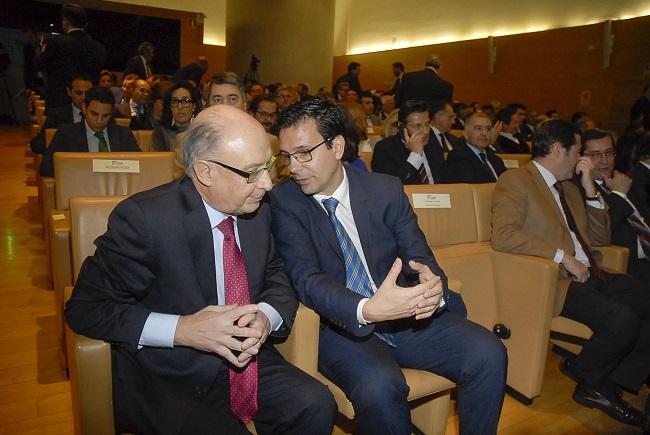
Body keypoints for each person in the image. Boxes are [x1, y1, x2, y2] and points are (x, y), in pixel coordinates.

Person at [65, 104, 337, 434]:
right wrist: (184, 330)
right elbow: (85, 309)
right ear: (206, 172)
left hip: (246, 360)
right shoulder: (144, 220)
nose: (267, 183)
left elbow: (277, 272)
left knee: (316, 403)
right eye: (252, 172)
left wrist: (266, 315)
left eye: (268, 166)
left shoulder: (259, 209)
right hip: (171, 375)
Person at [269, 98, 507, 435]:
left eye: (304, 153)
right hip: (340, 327)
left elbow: (419, 255)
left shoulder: (384, 190)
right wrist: (368, 308)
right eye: (287, 156)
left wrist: (432, 289)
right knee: (380, 386)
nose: (294, 167)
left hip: (403, 315)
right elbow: (307, 279)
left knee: (489, 353)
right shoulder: (285, 201)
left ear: (337, 146)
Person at [491, 119, 650, 426]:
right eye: (578, 151)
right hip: (556, 280)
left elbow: (600, 236)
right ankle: (592, 377)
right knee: (623, 319)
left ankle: (599, 381)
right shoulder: (516, 180)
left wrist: (590, 189)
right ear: (557, 149)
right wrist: (562, 256)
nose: (583, 160)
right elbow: (504, 235)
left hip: (593, 272)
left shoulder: (570, 188)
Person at [580, 129, 650, 282]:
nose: (605, 161)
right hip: (626, 264)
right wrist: (619, 195)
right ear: (581, 159)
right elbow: (603, 227)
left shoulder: (620, 179)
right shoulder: (580, 189)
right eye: (596, 155)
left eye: (609, 153)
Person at [40, 87, 141, 177]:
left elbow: (141, 164)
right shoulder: (66, 134)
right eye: (94, 114)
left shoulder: (123, 134)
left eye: (105, 116)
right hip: (81, 190)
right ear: (84, 108)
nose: (99, 121)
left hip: (118, 191)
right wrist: (87, 168)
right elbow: (46, 168)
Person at [35, 3, 106, 110]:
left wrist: (41, 51)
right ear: (85, 24)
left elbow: (40, 65)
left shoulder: (56, 42)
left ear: (65, 21)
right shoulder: (99, 48)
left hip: (58, 102)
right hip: (87, 104)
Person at [371, 100, 451, 184]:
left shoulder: (433, 146)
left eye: (427, 124)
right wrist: (415, 156)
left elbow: (448, 182)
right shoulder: (385, 148)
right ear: (401, 126)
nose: (425, 131)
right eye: (417, 126)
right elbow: (391, 186)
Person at [30, 73, 92, 154]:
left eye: (87, 93)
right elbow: (37, 144)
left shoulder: (102, 114)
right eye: (79, 93)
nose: (84, 97)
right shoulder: (56, 115)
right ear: (69, 92)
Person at [447, 112, 506, 183]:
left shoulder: (497, 160)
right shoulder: (457, 156)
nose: (484, 133)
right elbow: (472, 184)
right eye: (478, 128)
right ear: (466, 134)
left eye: (488, 129)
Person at [152, 80, 199, 151]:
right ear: (170, 107)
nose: (180, 106)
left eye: (185, 101)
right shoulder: (160, 133)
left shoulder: (201, 131)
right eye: (175, 102)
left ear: (193, 106)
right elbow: (158, 160)